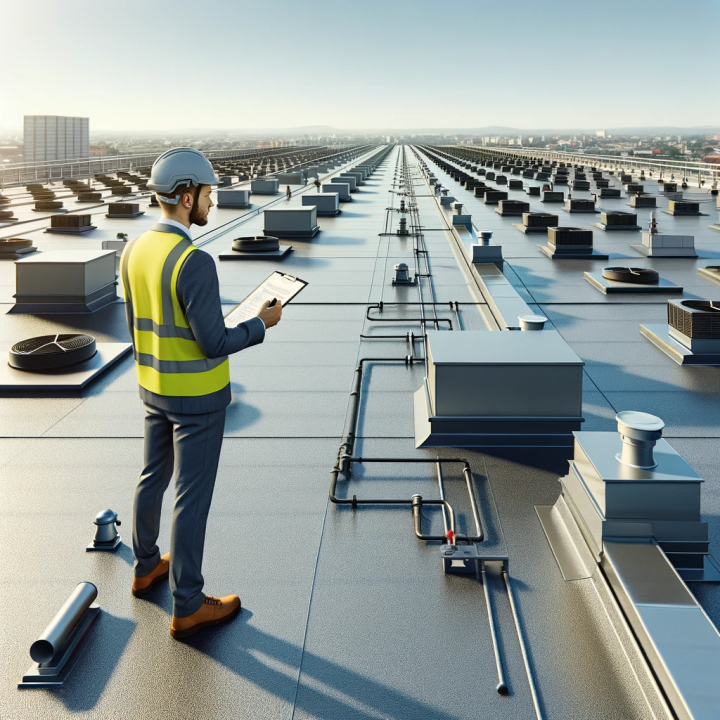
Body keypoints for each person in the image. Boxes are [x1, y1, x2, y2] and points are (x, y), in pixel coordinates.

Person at [121, 147, 282, 640]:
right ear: (187, 196)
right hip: (197, 399)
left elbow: (137, 326)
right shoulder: (193, 261)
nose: (211, 202)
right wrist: (260, 324)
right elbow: (213, 342)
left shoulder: (135, 250)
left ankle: (146, 564)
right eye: (208, 194)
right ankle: (188, 604)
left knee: (153, 477)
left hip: (153, 386)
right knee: (192, 498)